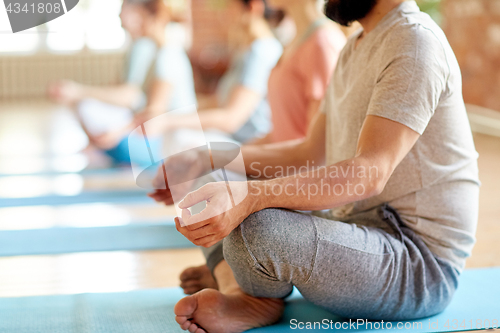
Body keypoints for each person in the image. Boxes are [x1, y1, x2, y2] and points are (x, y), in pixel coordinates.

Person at [151, 0, 480, 331]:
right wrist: (205, 157)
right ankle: (239, 285)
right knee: (216, 178)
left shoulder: (415, 41)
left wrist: (251, 197)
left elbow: (368, 173)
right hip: (356, 226)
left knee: (256, 228)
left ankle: (253, 294)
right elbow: (308, 152)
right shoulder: (355, 45)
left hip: (416, 263)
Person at [48, 0, 196, 165]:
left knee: (114, 142)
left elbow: (154, 113)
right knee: (107, 136)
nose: (121, 18)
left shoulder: (167, 55)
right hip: (167, 140)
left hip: (173, 145)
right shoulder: (161, 52)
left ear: (145, 17)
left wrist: (116, 133)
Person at [157, 0, 283, 144]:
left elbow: (231, 119)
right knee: (177, 133)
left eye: (230, 7)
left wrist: (168, 121)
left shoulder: (261, 52)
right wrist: (171, 115)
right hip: (231, 137)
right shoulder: (246, 50)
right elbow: (219, 101)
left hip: (249, 145)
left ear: (253, 7)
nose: (224, 14)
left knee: (179, 137)